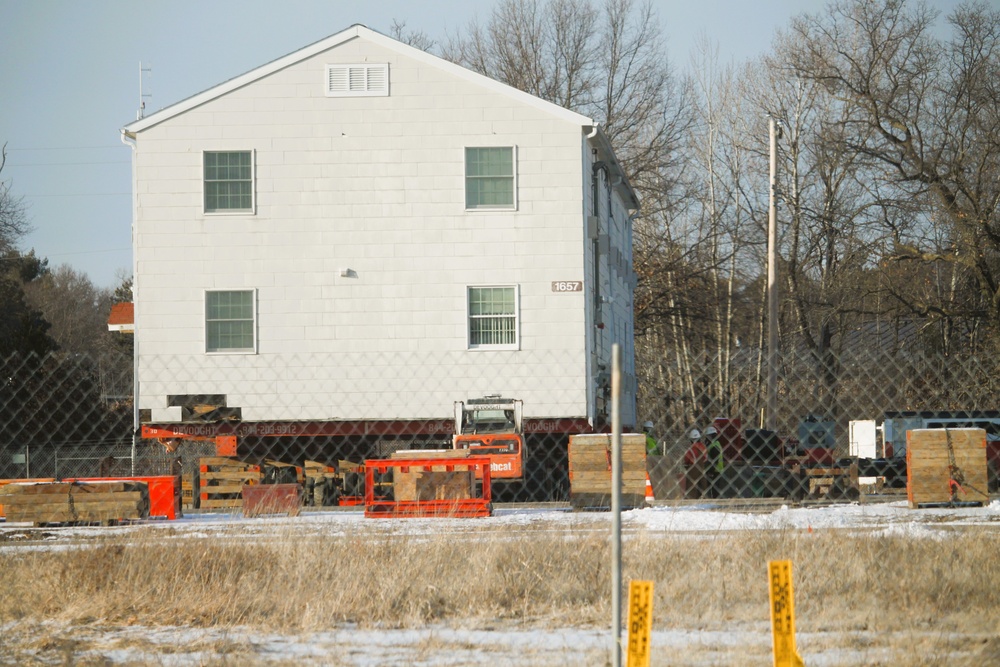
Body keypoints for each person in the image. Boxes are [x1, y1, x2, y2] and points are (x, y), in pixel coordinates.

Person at [683, 428, 706, 498]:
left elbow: (686, 459)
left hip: (693, 468)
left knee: (691, 486)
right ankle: (703, 497)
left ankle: (691, 499)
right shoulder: (703, 447)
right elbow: (705, 458)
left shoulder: (690, 449)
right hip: (702, 467)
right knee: (703, 484)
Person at [704, 426, 725, 498]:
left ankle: (714, 502)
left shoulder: (714, 446)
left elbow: (715, 460)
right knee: (715, 489)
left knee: (714, 490)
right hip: (717, 469)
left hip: (714, 470)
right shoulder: (716, 443)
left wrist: (711, 471)